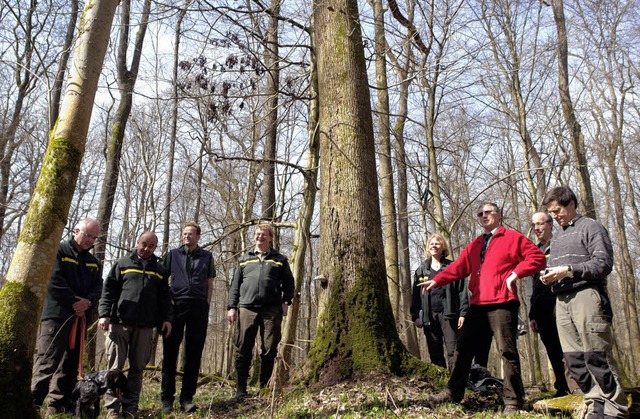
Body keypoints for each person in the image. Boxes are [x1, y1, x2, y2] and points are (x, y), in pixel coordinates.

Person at [420, 202, 545, 415]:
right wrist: (437, 280)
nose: (484, 216)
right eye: (480, 214)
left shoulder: (512, 237)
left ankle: (513, 401)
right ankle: (453, 392)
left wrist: (516, 273)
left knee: (507, 351)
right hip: (477, 304)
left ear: (499, 215)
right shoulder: (477, 243)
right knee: (462, 348)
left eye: (488, 212)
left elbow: (538, 258)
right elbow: (459, 267)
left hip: (503, 302)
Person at [541, 186, 628, 418]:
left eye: (557, 210)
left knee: (596, 355)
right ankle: (594, 405)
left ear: (571, 204)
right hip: (561, 300)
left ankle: (615, 409)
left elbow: (603, 264)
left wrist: (569, 270)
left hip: (587, 295)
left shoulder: (591, 227)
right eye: (551, 212)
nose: (555, 215)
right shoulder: (557, 238)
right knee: (574, 359)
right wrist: (550, 276)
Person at [31, 219, 102, 416]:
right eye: (88, 235)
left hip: (80, 319)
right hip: (57, 316)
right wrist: (74, 301)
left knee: (70, 365)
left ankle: (56, 404)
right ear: (75, 231)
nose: (90, 241)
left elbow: (98, 288)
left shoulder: (94, 262)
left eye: (94, 238)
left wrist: (87, 303)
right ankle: (33, 403)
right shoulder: (59, 251)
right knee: (48, 360)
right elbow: (53, 281)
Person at [98, 231, 173, 418]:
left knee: (137, 368)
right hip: (120, 324)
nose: (146, 249)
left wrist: (166, 319)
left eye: (151, 246)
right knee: (114, 369)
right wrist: (104, 314)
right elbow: (108, 291)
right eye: (144, 244)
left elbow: (164, 298)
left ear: (155, 247)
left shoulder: (160, 269)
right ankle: (112, 410)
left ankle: (130, 408)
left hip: (146, 326)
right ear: (137, 242)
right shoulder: (122, 264)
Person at [226, 224, 295, 399]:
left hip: (271, 310)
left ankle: (265, 388)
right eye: (257, 234)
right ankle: (241, 389)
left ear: (270, 237)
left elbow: (289, 283)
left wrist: (286, 301)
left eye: (264, 235)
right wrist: (232, 307)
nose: (260, 237)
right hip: (246, 308)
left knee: (269, 348)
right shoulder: (244, 260)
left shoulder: (279, 259)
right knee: (243, 348)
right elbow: (235, 286)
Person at [161, 223, 216, 413]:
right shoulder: (173, 255)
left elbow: (210, 284)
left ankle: (187, 398)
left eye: (190, 234)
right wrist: (166, 303)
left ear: (198, 236)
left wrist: (206, 305)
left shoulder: (207, 257)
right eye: (184, 234)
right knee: (170, 352)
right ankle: (167, 399)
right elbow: (162, 279)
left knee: (193, 353)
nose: (186, 237)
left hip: (198, 308)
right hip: (176, 307)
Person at [528, 211, 579, 397]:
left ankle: (575, 385)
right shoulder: (534, 251)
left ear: (551, 224)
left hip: (562, 302)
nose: (537, 228)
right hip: (541, 309)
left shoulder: (562, 244)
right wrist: (532, 314)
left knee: (568, 346)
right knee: (552, 348)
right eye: (534, 225)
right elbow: (531, 285)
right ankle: (561, 387)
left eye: (540, 224)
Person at [410, 233, 468, 370]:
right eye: (431, 244)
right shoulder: (421, 270)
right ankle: (442, 381)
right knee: (434, 350)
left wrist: (463, 314)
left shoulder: (453, 267)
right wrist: (415, 317)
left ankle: (455, 382)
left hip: (449, 315)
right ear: (428, 247)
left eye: (437, 244)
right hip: (429, 317)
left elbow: (462, 291)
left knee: (453, 350)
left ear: (443, 247)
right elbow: (416, 296)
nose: (434, 246)